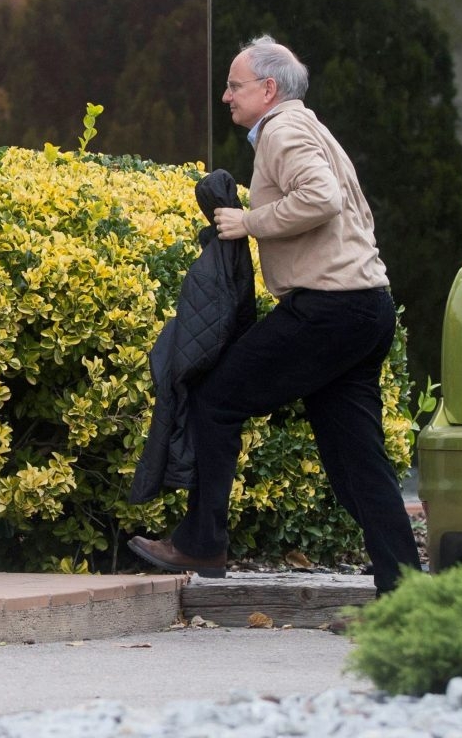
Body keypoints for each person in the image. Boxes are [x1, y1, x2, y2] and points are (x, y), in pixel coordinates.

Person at [127, 35, 421, 593]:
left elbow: (321, 197)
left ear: (268, 89)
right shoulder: (310, 128)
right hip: (365, 308)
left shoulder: (283, 129)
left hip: (328, 311)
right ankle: (403, 593)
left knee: (215, 400)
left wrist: (247, 222)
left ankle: (202, 541)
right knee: (357, 460)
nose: (225, 96)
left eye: (235, 86)